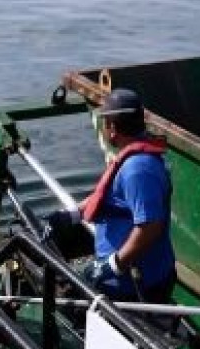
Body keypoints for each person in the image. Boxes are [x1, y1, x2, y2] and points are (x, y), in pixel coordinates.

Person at [47, 88, 176, 302]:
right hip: (125, 277)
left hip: (135, 286)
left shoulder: (138, 170)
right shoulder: (133, 157)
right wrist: (68, 216)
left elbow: (150, 228)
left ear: (112, 127)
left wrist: (112, 266)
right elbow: (109, 198)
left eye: (104, 123)